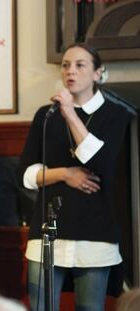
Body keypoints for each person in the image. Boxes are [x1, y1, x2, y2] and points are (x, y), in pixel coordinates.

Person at [18, 43, 131, 311]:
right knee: (40, 307)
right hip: (48, 232)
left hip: (96, 233)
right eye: (66, 65)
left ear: (97, 73)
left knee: (89, 307)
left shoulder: (117, 115)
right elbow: (26, 174)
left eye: (80, 65)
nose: (71, 71)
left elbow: (101, 163)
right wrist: (65, 174)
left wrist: (69, 113)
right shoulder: (45, 116)